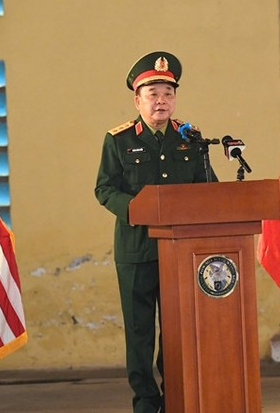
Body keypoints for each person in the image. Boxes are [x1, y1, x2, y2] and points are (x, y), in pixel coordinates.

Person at [95, 51, 216, 413]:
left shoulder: (190, 138)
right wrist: (138, 209)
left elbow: (207, 188)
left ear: (174, 99)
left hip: (180, 250)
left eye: (167, 94)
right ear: (138, 100)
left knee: (177, 331)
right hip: (137, 250)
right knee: (140, 334)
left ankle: (176, 398)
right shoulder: (118, 140)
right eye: (153, 95)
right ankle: (146, 404)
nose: (161, 101)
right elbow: (105, 189)